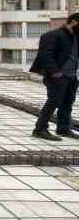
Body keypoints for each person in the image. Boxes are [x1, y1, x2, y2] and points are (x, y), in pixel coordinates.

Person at [30, 13, 79, 141]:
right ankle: (40, 129)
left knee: (68, 102)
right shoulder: (52, 35)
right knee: (54, 101)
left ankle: (63, 128)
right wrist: (56, 73)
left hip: (71, 76)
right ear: (74, 22)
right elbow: (45, 56)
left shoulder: (75, 37)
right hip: (57, 76)